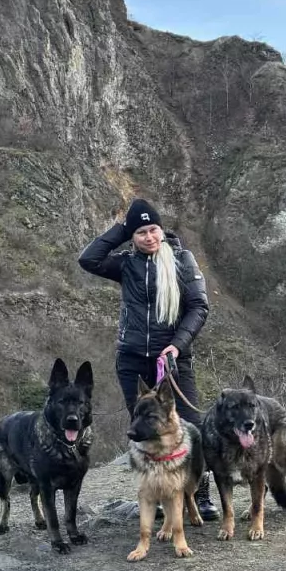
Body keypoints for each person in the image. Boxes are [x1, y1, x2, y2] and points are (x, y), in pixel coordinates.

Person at [79, 197, 219, 520]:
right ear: (132, 236)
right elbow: (88, 259)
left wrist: (176, 346)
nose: (149, 237)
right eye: (140, 232)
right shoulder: (126, 264)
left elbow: (199, 307)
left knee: (191, 428)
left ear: (161, 229)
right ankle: (158, 495)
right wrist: (122, 228)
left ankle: (200, 493)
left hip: (172, 360)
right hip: (132, 362)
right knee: (145, 430)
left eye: (153, 229)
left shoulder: (182, 259)